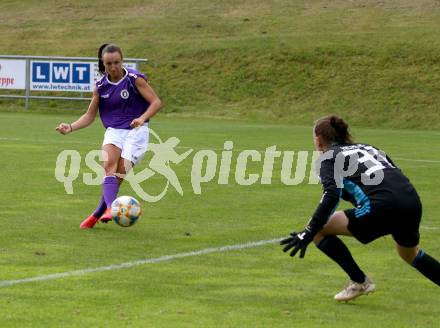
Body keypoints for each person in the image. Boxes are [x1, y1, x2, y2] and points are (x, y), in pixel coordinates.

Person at [281, 115, 440, 301]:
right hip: (411, 200)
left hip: (382, 205)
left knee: (318, 228)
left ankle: (360, 282)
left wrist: (307, 232)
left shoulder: (327, 158)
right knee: (409, 254)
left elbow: (331, 195)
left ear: (317, 140)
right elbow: (391, 173)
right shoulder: (368, 147)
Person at [56, 43, 161, 229]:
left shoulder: (134, 79)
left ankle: (97, 213)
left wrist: (142, 117)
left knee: (118, 175)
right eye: (108, 63)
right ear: (103, 64)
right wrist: (70, 127)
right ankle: (112, 208)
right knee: (108, 167)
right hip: (114, 131)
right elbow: (90, 115)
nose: (113, 67)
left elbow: (156, 102)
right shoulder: (100, 86)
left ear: (122, 61)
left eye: (116, 62)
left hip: (137, 132)